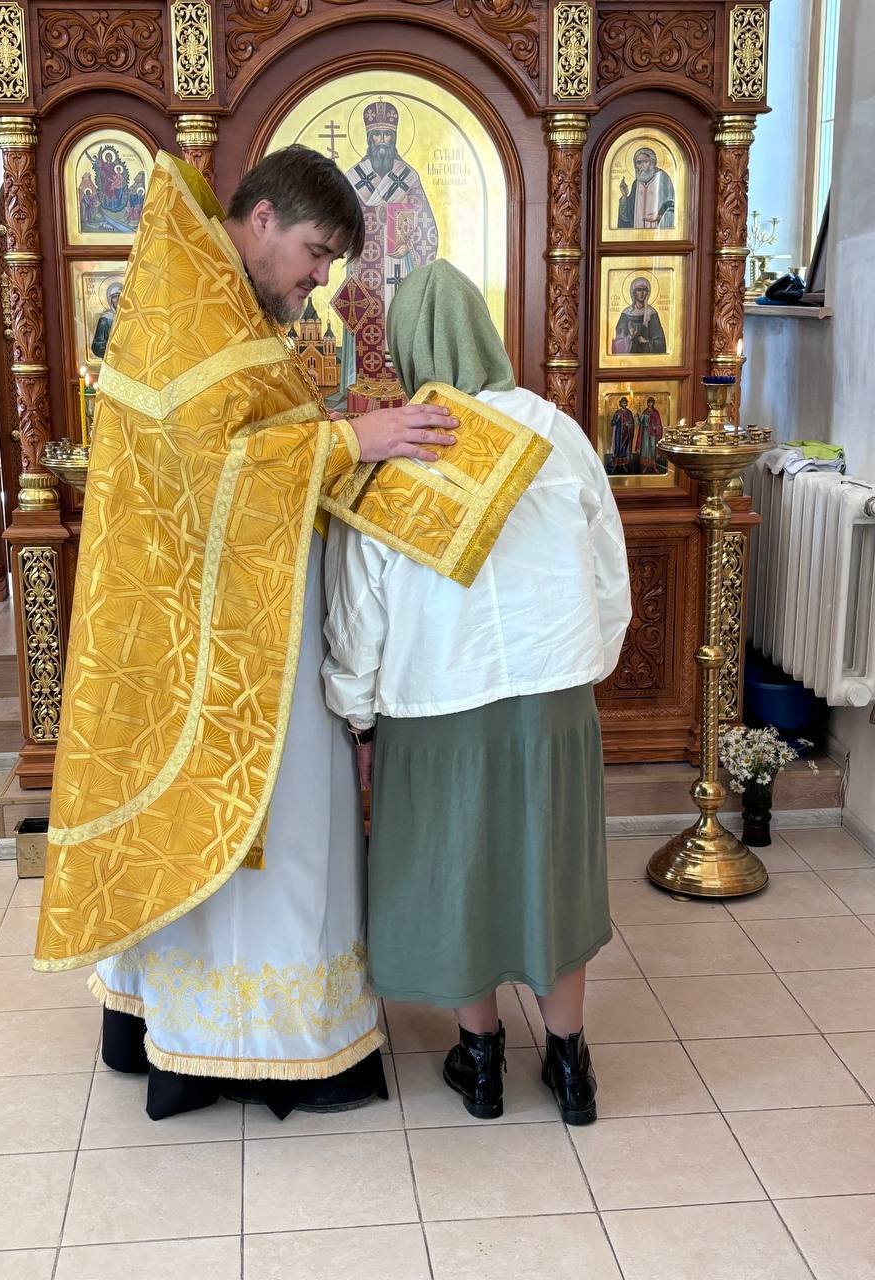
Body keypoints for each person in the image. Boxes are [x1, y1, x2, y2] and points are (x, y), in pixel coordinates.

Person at [34, 148, 542, 1122]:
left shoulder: (222, 299)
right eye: (315, 255)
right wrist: (352, 439)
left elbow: (244, 442)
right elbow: (207, 471)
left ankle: (246, 1035)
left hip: (253, 625)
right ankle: (245, 1046)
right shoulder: (193, 303)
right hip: (219, 648)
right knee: (274, 831)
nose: (320, 281)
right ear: (261, 219)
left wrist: (343, 434)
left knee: (282, 835)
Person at [322, 260, 631, 1123]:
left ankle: (482, 1060)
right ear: (486, 330)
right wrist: (589, 660)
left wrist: (356, 713)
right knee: (553, 870)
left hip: (435, 702)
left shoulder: (398, 445)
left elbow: (359, 609)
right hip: (555, 698)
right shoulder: (557, 431)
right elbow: (608, 564)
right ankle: (570, 1063)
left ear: (407, 346)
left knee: (459, 872)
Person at [337, 99, 438, 396]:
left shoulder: (408, 178)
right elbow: (340, 223)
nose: (382, 141)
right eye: (377, 135)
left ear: (394, 138)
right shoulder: (354, 178)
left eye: (387, 135)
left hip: (399, 269)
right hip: (364, 267)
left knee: (400, 319)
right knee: (363, 318)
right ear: (369, 139)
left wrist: (410, 246)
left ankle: (403, 387)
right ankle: (362, 384)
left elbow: (427, 226)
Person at [617, 146, 676, 230]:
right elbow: (629, 214)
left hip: (658, 231)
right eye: (638, 162)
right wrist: (624, 196)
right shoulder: (636, 183)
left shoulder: (662, 178)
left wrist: (659, 215)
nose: (642, 166)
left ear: (652, 162)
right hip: (637, 232)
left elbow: (673, 204)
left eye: (645, 162)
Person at [613, 276, 667, 354]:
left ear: (647, 293)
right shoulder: (626, 313)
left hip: (647, 356)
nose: (642, 293)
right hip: (629, 357)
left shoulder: (652, 313)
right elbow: (618, 342)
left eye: (644, 290)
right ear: (633, 292)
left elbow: (660, 343)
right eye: (639, 290)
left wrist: (646, 342)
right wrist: (630, 336)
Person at [90, 280, 121, 359]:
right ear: (110, 300)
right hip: (111, 359)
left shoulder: (132, 317)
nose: (118, 299)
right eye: (115, 297)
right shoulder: (105, 320)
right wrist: (113, 345)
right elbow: (96, 346)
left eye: (120, 296)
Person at [635, 395, 665, 473]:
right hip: (645, 432)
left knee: (652, 448)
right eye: (648, 402)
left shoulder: (656, 413)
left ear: (653, 403)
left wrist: (655, 427)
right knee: (646, 448)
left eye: (651, 402)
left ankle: (653, 464)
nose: (650, 404)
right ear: (647, 403)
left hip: (653, 433)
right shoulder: (644, 412)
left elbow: (659, 424)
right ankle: (646, 465)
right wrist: (637, 417)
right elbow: (640, 422)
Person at [609, 395, 636, 471]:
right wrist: (617, 420)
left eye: (625, 403)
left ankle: (623, 464)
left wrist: (628, 424)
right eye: (623, 403)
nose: (624, 404)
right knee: (617, 447)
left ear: (627, 404)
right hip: (618, 433)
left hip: (626, 434)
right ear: (620, 403)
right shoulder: (617, 412)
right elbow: (612, 423)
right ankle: (616, 463)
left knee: (624, 448)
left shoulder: (629, 412)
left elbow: (632, 423)